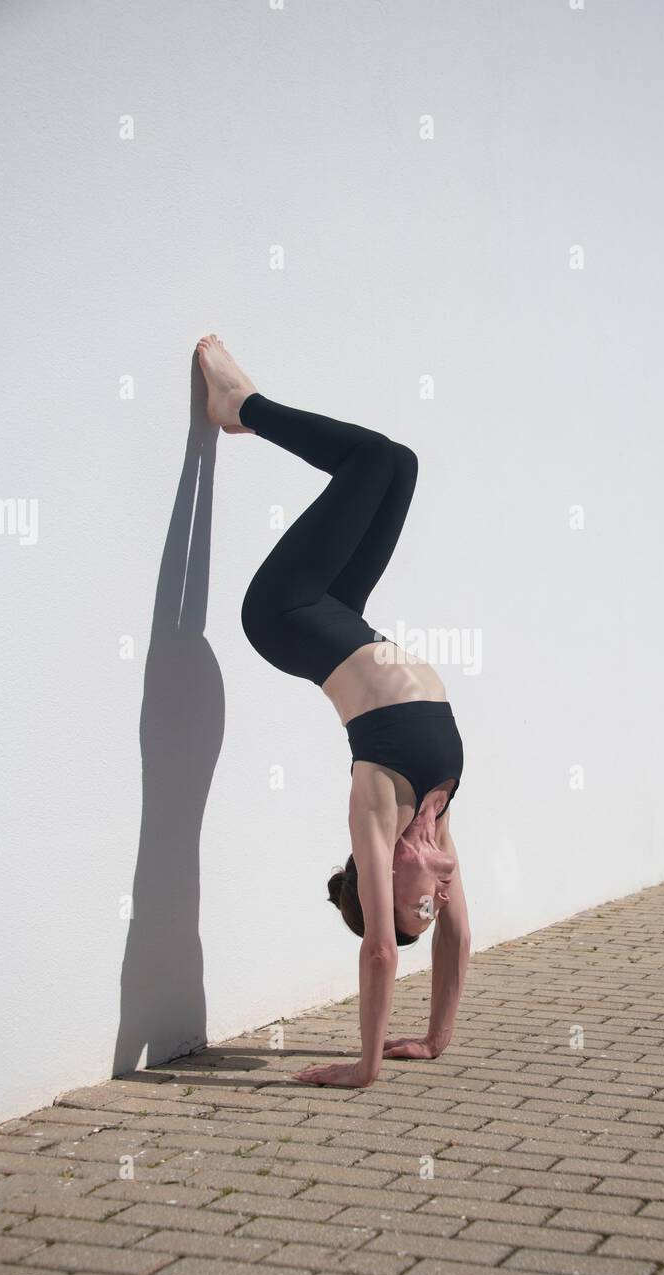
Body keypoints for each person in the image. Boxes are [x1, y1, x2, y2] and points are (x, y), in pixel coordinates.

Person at [196, 335, 470, 1088]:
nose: (437, 900)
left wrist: (367, 1065)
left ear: (383, 884)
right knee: (401, 463)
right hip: (337, 613)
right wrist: (436, 1039)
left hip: (284, 616)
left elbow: (381, 952)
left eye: (418, 906)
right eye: (432, 906)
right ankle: (241, 409)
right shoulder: (438, 818)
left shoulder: (377, 811)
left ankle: (238, 406)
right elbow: (460, 937)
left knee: (371, 463)